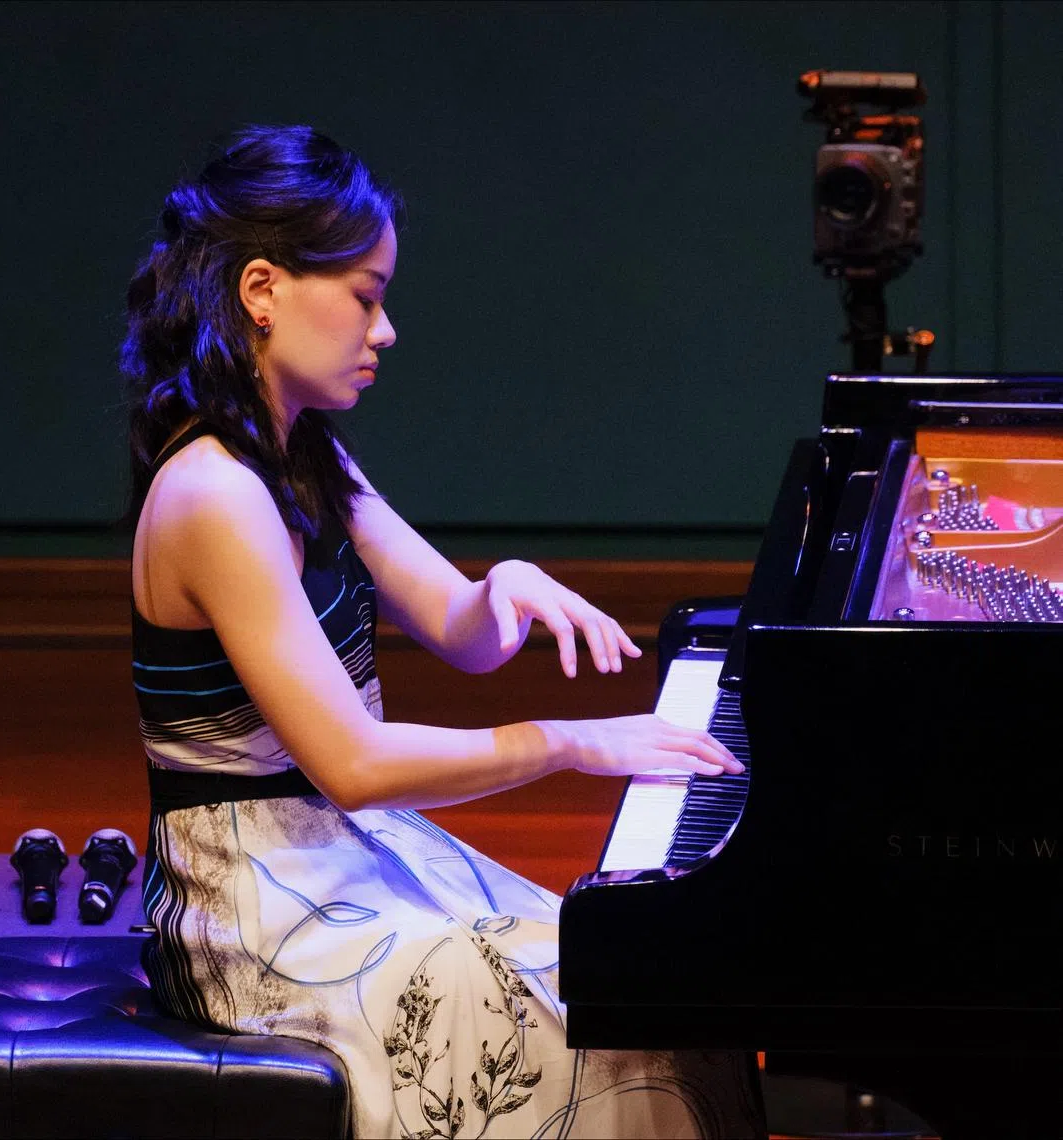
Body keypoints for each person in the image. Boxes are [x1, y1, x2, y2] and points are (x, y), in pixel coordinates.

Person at [122, 124, 763, 1139]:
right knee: (592, 1027)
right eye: (366, 298)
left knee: (648, 985)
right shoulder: (213, 495)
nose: (385, 331)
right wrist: (570, 742)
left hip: (339, 856)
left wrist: (502, 587)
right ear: (261, 290)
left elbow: (462, 633)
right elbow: (356, 763)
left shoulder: (306, 458)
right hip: (257, 911)